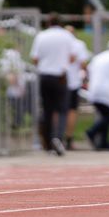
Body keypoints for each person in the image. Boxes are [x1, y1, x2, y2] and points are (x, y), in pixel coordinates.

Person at [30, 14, 77, 155]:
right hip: (60, 75)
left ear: (48, 22)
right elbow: (73, 56)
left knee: (47, 109)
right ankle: (58, 138)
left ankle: (48, 142)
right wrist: (61, 62)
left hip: (45, 75)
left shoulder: (41, 36)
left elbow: (35, 58)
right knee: (62, 109)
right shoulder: (67, 36)